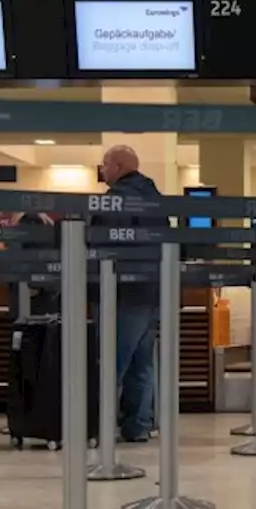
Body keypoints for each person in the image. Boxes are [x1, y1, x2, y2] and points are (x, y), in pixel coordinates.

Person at [92, 145, 163, 443]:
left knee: (110, 363)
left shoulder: (116, 200)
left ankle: (100, 428)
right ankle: (138, 426)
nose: (102, 170)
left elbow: (100, 245)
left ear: (119, 166)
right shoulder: (154, 198)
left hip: (120, 292)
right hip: (151, 292)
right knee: (142, 364)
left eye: (105, 165)